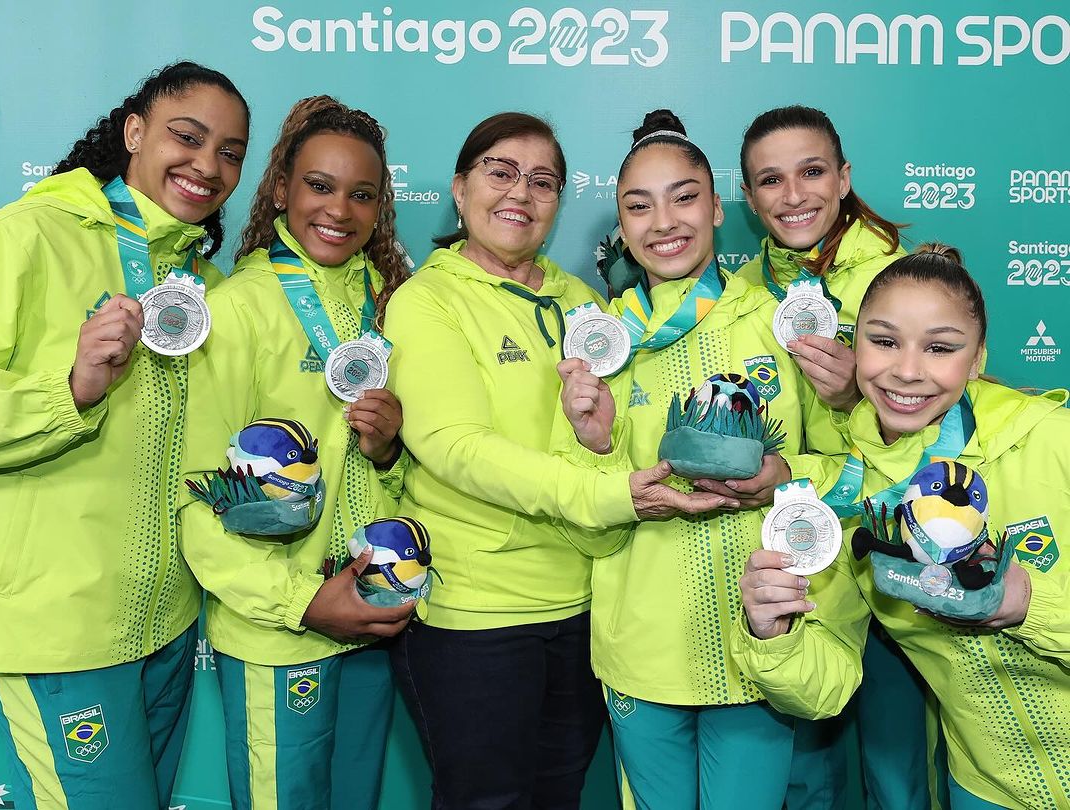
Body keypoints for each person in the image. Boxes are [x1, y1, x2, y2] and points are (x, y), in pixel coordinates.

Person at [382, 111, 731, 809]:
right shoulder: (428, 301)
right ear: (459, 188)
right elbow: (456, 448)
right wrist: (613, 496)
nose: (521, 192)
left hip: (584, 609)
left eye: (543, 181)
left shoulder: (583, 302)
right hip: (475, 617)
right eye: (500, 172)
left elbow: (606, 435)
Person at [558, 109, 835, 810]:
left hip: (759, 643)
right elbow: (580, 499)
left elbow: (846, 467)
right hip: (639, 648)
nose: (663, 222)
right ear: (620, 226)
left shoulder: (782, 321)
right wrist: (594, 443)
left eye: (684, 197)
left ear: (717, 207)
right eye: (637, 206)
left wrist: (788, 476)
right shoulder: (600, 344)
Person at [0, 62, 249, 808]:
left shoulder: (207, 287)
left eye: (229, 152)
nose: (207, 165)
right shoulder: (26, 235)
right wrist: (69, 389)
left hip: (164, 629)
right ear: (134, 132)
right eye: (187, 137)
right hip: (57, 631)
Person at [732, 244, 1070, 810]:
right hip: (987, 791)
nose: (907, 371)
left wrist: (1030, 603)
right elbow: (829, 684)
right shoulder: (851, 501)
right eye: (884, 341)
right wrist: (775, 634)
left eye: (940, 348)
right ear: (854, 346)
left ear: (978, 357)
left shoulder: (1050, 440)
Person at [179, 96, 412, 810]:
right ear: (282, 187)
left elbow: (402, 474)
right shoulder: (239, 308)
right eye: (320, 185)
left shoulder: (391, 300)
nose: (339, 209)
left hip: (372, 617)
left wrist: (387, 450)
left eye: (361, 193)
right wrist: (303, 602)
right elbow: (197, 493)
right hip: (281, 631)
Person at [735, 105, 928, 810]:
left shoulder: (905, 279)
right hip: (801, 554)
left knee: (897, 771)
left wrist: (860, 396)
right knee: (799, 772)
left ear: (844, 177)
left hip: (894, 550)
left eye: (812, 172)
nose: (793, 196)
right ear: (749, 197)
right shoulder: (742, 296)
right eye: (770, 180)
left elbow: (954, 431)